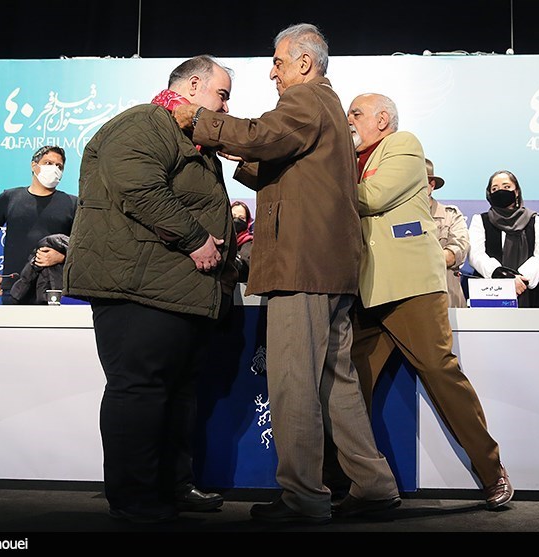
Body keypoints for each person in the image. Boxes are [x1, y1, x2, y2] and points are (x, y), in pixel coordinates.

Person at [173, 23, 401, 524]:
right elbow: (280, 157)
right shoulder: (326, 108)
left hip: (302, 267)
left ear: (304, 63)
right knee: (335, 382)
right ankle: (374, 485)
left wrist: (201, 121)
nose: (272, 73)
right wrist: (242, 150)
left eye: (277, 62)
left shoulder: (306, 98)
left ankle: (304, 496)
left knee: (293, 381)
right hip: (328, 269)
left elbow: (264, 136)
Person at [63, 55, 237, 524]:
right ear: (194, 85)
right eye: (221, 95)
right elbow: (137, 186)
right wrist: (195, 238)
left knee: (177, 392)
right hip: (136, 287)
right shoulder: (144, 121)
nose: (225, 106)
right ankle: (135, 497)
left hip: (176, 287)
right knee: (139, 389)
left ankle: (173, 485)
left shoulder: (189, 138)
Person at [346, 92, 513, 510]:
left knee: (440, 372)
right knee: (349, 387)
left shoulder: (402, 144)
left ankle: (491, 470)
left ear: (382, 120)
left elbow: (372, 197)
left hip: (411, 288)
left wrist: (322, 183)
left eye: (356, 113)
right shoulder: (349, 159)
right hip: (367, 291)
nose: (348, 120)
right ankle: (355, 483)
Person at [0, 146, 77, 304]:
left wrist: (62, 257)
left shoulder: (72, 203)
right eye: (48, 163)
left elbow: (84, 245)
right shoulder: (9, 198)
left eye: (59, 166)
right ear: (34, 165)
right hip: (14, 288)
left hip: (54, 289)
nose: (54, 169)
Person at [467, 170, 539, 307]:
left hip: (526, 291)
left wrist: (520, 280)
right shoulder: (480, 220)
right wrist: (504, 277)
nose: (501, 191)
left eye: (506, 187)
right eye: (495, 189)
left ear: (516, 191)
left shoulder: (534, 220)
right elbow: (476, 255)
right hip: (490, 292)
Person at [425, 158, 469, 308]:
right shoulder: (399, 216)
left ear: (431, 185)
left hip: (446, 298)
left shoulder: (451, 215)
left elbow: (457, 251)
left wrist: (416, 259)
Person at [231, 200, 253, 282]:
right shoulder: (218, 242)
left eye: (241, 218)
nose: (236, 220)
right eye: (233, 217)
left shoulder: (251, 246)